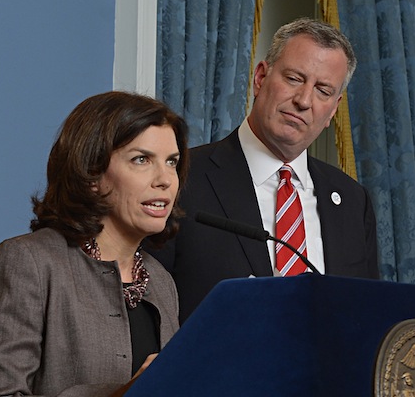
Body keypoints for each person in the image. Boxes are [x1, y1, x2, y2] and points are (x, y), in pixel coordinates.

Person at [148, 17, 379, 324]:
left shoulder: (352, 200)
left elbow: (368, 316)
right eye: (295, 79)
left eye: (323, 90)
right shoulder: (180, 178)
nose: (304, 100)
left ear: (332, 111)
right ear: (260, 78)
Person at [0, 91, 189, 396]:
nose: (165, 179)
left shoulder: (162, 282)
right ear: (92, 174)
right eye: (142, 159)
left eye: (172, 162)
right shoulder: (30, 262)